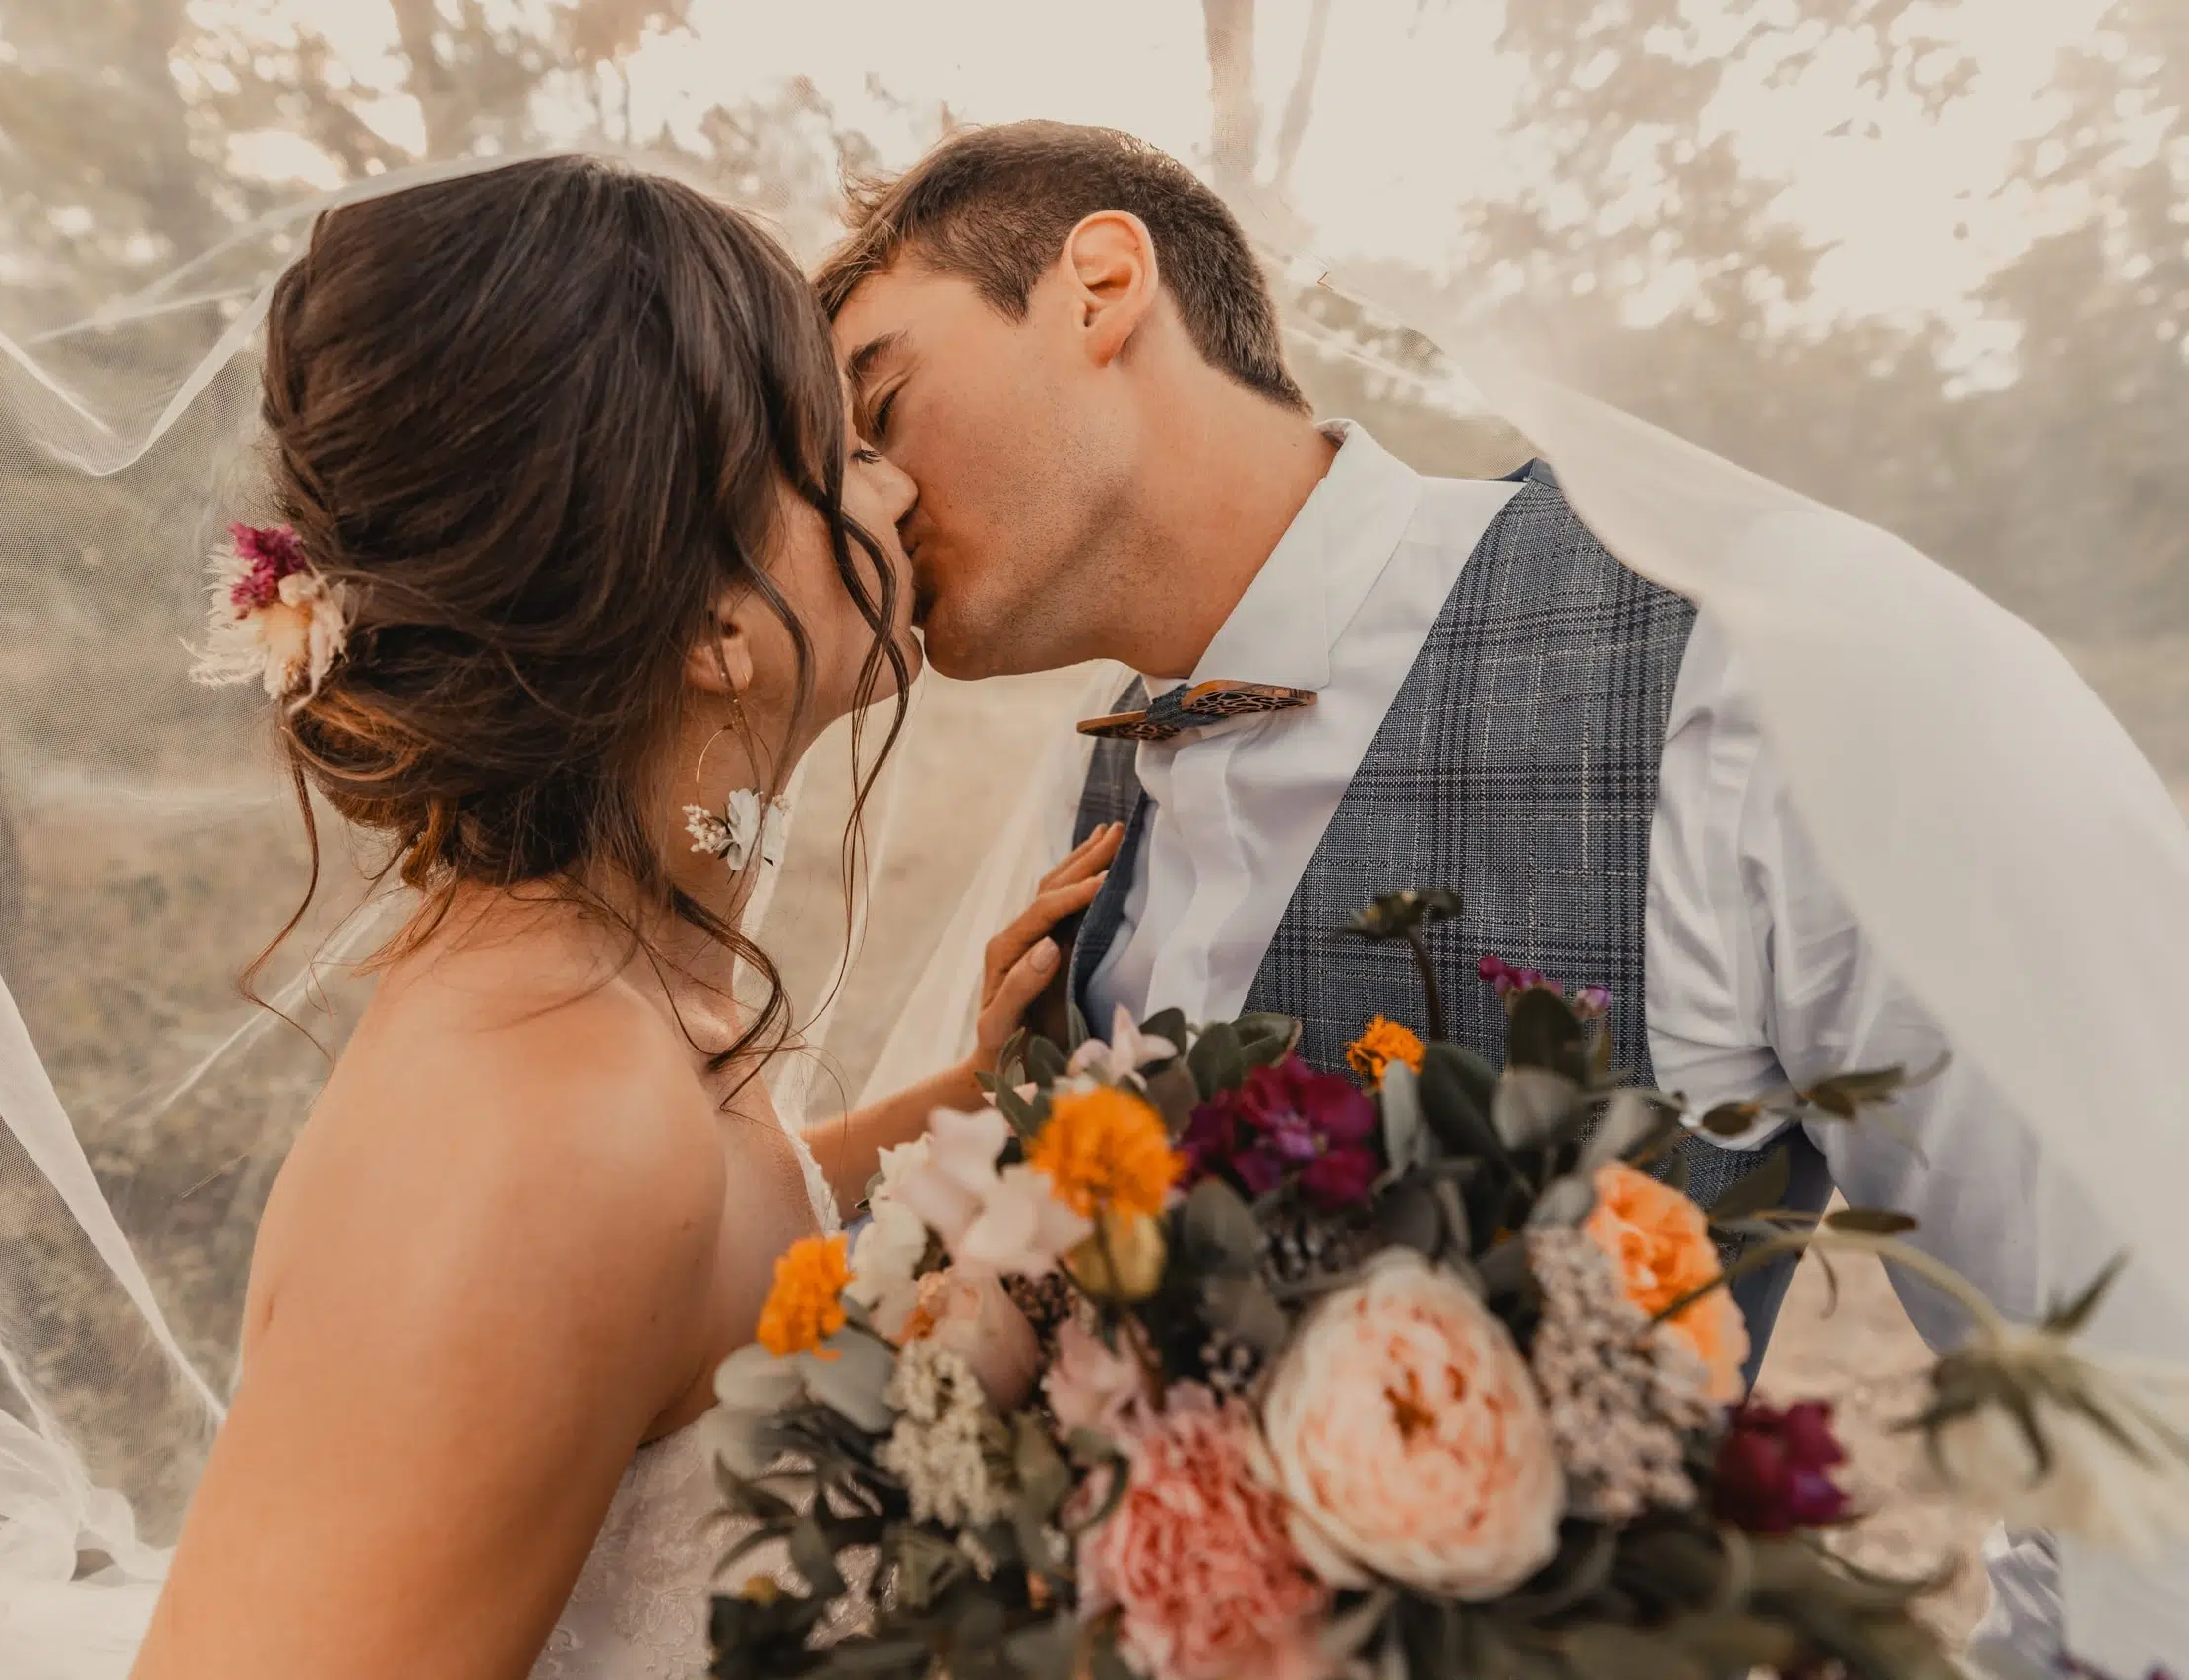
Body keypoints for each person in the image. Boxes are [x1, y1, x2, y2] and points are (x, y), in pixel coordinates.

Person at [816, 119, 2084, 1661]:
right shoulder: (1079, 804)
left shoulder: (1736, 677)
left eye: (882, 406)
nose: (865, 504)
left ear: (1099, 284)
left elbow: (2131, 1408)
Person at [129, 155, 1117, 1680]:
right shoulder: (549, 1122)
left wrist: (969, 1103)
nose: (899, 487)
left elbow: (698, 1256)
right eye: (838, 450)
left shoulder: (598, 985)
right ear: (715, 625)